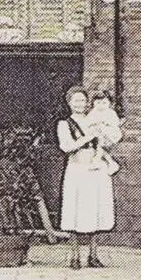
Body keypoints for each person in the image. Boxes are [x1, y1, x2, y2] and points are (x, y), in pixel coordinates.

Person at [57, 85, 118, 269]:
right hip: (77, 169)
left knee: (95, 209)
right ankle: (74, 256)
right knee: (74, 210)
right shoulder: (64, 124)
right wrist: (87, 137)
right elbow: (66, 147)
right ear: (69, 103)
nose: (80, 104)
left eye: (83, 100)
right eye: (76, 100)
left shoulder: (95, 118)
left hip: (95, 169)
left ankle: (93, 254)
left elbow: (106, 142)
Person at [85, 91, 121, 175]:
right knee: (100, 146)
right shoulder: (93, 112)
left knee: (100, 145)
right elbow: (87, 123)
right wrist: (94, 124)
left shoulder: (110, 112)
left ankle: (96, 160)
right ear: (93, 103)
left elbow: (116, 123)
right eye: (98, 103)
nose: (101, 105)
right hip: (98, 134)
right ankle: (111, 163)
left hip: (110, 133)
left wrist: (105, 123)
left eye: (104, 103)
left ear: (109, 103)